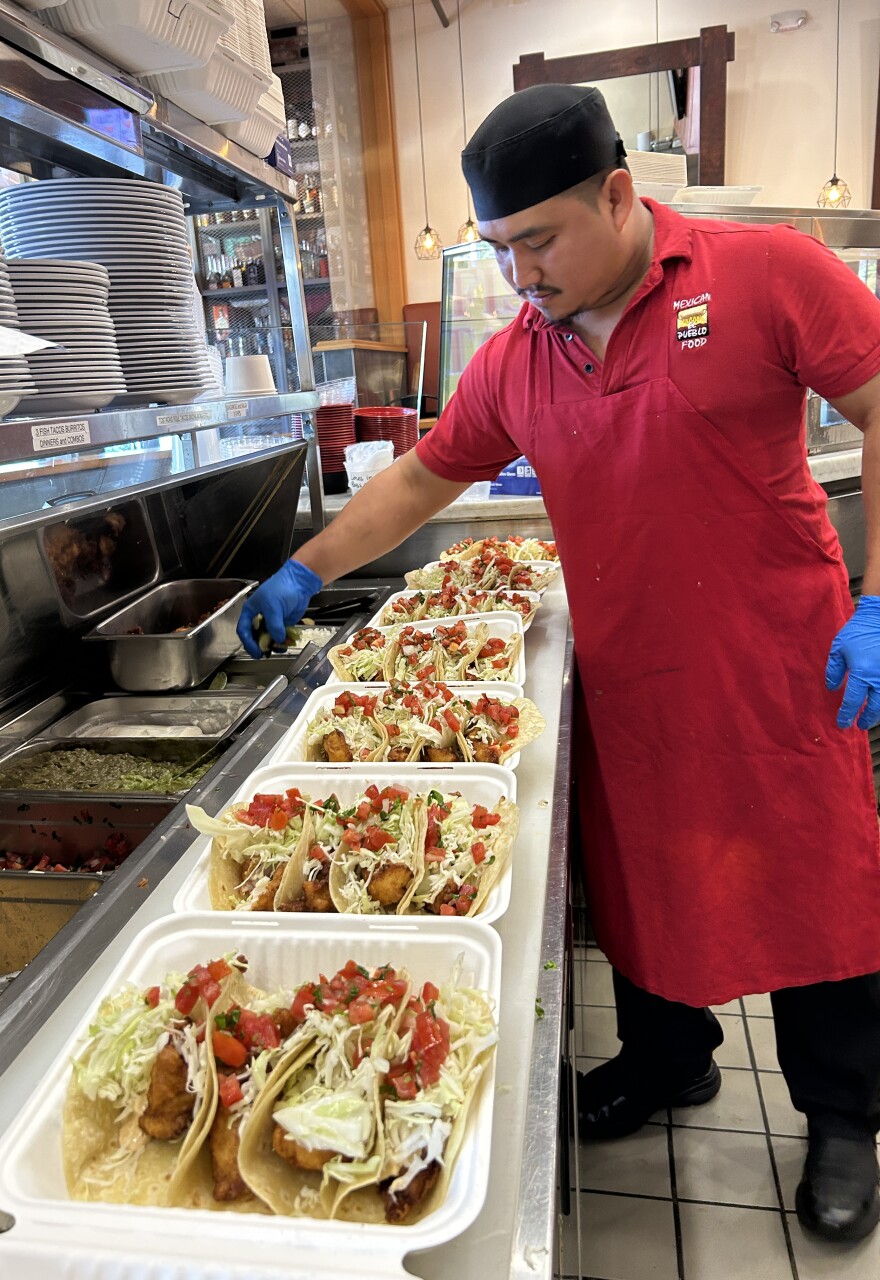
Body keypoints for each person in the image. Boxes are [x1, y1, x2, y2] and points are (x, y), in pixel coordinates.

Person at [238, 84, 880, 1243]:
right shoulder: (518, 356)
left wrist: (879, 599)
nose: (521, 275)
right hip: (634, 668)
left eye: (540, 240)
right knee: (647, 875)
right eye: (501, 249)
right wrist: (305, 567)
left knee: (814, 880)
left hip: (781, 662)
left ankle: (843, 1115)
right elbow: (423, 479)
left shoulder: (766, 273)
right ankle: (667, 1056)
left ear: (619, 195)